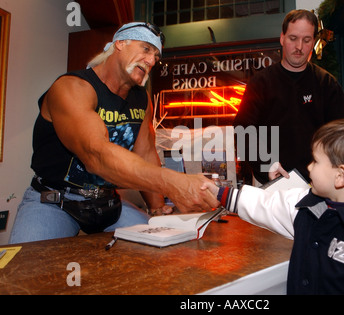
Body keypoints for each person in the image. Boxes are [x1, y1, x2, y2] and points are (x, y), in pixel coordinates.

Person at [10, 22, 219, 244]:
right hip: (55, 201)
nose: (151, 61)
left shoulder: (141, 99)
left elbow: (146, 153)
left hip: (107, 204)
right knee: (21, 273)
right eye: (146, 49)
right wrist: (173, 183)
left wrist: (158, 209)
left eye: (156, 56)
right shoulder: (72, 87)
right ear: (119, 43)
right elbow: (96, 155)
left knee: (166, 248)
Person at [205, 118, 344, 294]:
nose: (309, 167)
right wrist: (219, 193)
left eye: (315, 161)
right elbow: (267, 205)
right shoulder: (309, 208)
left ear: (340, 176)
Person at [233, 9, 344, 185]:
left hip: (318, 185)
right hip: (270, 183)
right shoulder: (261, 83)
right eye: (293, 38)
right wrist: (266, 164)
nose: (299, 46)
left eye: (306, 40)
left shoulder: (327, 84)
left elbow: (339, 137)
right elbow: (243, 130)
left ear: (314, 42)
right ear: (282, 38)